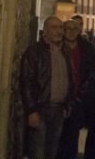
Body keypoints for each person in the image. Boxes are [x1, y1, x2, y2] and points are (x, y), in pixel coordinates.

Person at [20, 16, 73, 159]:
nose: (58, 31)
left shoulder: (65, 52)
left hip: (58, 110)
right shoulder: (35, 52)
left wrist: (68, 104)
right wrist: (31, 110)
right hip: (40, 109)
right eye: (54, 27)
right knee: (37, 152)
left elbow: (69, 79)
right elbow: (27, 82)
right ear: (45, 31)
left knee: (52, 151)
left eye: (60, 27)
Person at [56, 18, 95, 159]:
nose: (70, 32)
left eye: (73, 29)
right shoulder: (56, 47)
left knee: (73, 135)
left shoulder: (86, 48)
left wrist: (83, 91)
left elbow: (92, 70)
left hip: (78, 98)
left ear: (79, 31)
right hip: (59, 98)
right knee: (57, 135)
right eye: (67, 29)